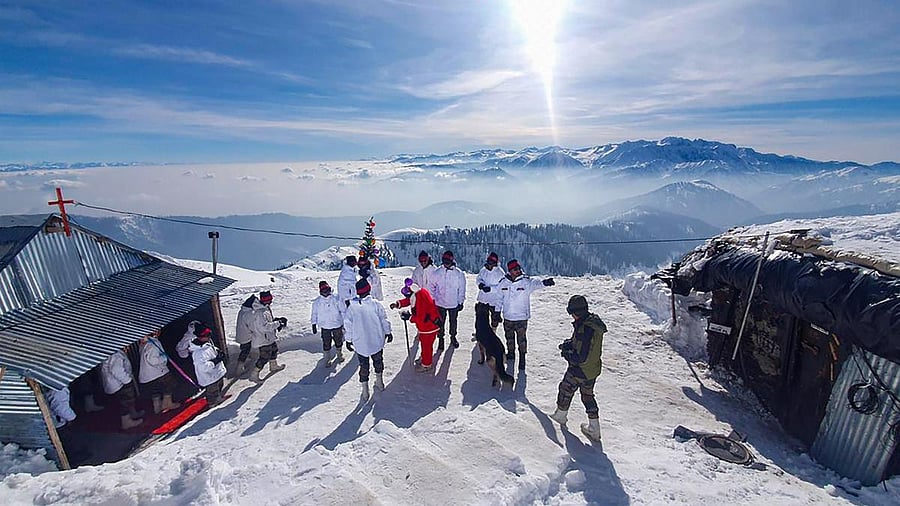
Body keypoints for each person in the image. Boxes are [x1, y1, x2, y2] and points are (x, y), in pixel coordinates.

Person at [550, 295, 607, 442]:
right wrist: (570, 343)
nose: (572, 316)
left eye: (572, 313)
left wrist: (566, 353)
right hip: (592, 369)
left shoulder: (584, 328)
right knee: (587, 396)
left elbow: (580, 356)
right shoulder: (592, 322)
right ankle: (594, 428)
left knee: (565, 389)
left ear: (577, 312)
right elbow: (587, 345)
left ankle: (560, 416)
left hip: (580, 369)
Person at [496, 258, 554, 370]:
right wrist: (497, 312)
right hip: (508, 317)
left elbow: (536, 283)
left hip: (521, 317)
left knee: (521, 340)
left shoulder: (526, 282)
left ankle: (522, 358)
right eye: (515, 269)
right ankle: (511, 354)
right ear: (510, 271)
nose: (518, 271)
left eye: (518, 268)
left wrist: (544, 283)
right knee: (509, 338)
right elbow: (499, 298)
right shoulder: (503, 283)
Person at [344, 278, 393, 402]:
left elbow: (348, 325)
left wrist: (348, 340)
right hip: (376, 341)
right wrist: (388, 332)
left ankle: (365, 390)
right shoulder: (376, 304)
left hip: (360, 343)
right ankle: (380, 382)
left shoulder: (352, 307)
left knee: (363, 366)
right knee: (378, 361)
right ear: (369, 289)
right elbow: (384, 320)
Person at [390, 278, 441, 372]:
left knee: (426, 346)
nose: (407, 297)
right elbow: (409, 300)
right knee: (424, 344)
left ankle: (426, 365)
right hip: (428, 326)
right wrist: (398, 304)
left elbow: (421, 317)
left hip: (428, 327)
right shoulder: (418, 292)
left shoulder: (420, 300)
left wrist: (409, 317)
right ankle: (425, 358)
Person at [427, 250, 466, 350]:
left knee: (453, 322)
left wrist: (461, 302)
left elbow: (461, 289)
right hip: (440, 303)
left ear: (452, 261)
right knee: (440, 323)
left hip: (453, 303)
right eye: (444, 260)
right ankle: (441, 339)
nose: (446, 263)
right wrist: (433, 299)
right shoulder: (437, 272)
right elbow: (431, 286)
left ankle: (453, 337)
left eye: (448, 261)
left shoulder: (458, 274)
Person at [100, 347, 144, 430]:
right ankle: (126, 421)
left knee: (128, 399)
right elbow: (116, 370)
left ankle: (132, 413)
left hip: (118, 381)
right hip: (118, 383)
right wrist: (127, 380)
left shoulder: (116, 353)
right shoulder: (116, 355)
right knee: (125, 401)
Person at [249, 290, 287, 383]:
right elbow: (264, 327)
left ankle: (273, 366)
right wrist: (278, 323)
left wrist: (276, 321)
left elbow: (268, 322)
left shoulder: (265, 308)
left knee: (274, 350)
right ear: (266, 300)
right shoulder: (259, 313)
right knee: (264, 357)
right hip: (263, 339)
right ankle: (254, 374)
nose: (271, 301)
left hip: (269, 337)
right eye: (270, 299)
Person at [138, 332, 181, 414]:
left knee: (155, 390)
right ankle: (167, 403)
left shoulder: (143, 343)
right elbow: (153, 360)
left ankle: (157, 406)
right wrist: (164, 358)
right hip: (156, 371)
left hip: (146, 375)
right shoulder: (153, 343)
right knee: (169, 383)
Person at [189, 324, 228, 407]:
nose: (209, 337)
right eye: (207, 335)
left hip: (216, 373)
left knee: (219, 385)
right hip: (209, 377)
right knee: (212, 390)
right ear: (200, 337)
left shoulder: (206, 343)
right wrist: (215, 361)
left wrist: (218, 352)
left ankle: (218, 398)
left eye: (209, 334)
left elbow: (211, 349)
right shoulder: (198, 353)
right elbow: (203, 367)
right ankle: (212, 403)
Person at [311, 280, 345, 366]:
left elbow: (342, 311)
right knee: (326, 342)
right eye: (324, 291)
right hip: (325, 326)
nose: (326, 292)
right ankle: (327, 357)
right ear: (320, 291)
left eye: (327, 290)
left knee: (338, 340)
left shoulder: (336, 298)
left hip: (337, 324)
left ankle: (339, 353)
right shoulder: (317, 302)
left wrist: (345, 322)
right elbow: (314, 313)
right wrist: (314, 323)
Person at [475, 252, 505, 332]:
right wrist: (480, 284)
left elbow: (502, 287)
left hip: (494, 300)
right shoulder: (483, 270)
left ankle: (493, 331)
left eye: (492, 262)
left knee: (494, 318)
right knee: (481, 317)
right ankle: (480, 332)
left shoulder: (500, 273)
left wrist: (491, 289)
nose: (490, 264)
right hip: (483, 298)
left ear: (495, 263)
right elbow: (478, 278)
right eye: (489, 261)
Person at [234, 295, 257, 374]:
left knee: (244, 349)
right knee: (245, 351)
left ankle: (245, 360)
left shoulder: (242, 311)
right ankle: (239, 368)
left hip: (241, 334)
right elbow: (252, 326)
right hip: (246, 336)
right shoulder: (249, 313)